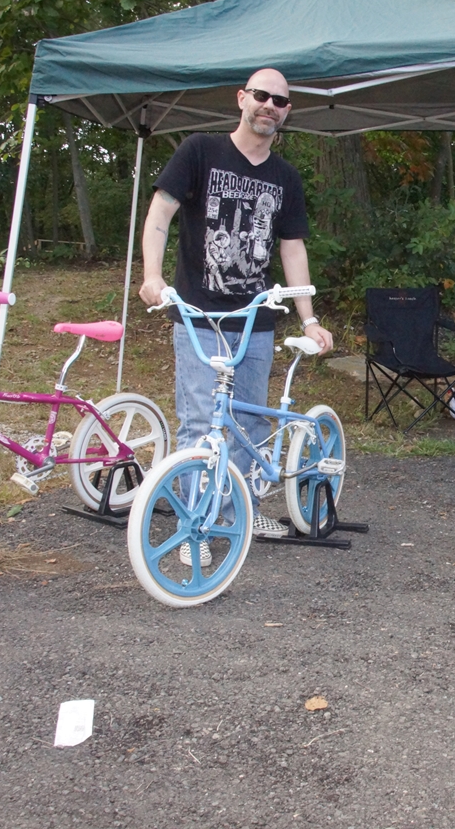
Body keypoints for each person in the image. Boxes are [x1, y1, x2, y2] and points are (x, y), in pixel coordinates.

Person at [139, 68, 333, 551]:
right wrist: (152, 276)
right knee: (201, 424)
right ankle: (196, 526)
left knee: (249, 425)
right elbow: (160, 212)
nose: (270, 106)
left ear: (287, 112)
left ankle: (238, 512)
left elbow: (292, 248)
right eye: (262, 95)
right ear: (242, 98)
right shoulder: (199, 150)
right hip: (199, 316)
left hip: (256, 322)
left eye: (280, 101)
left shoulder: (285, 177)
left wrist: (308, 317)